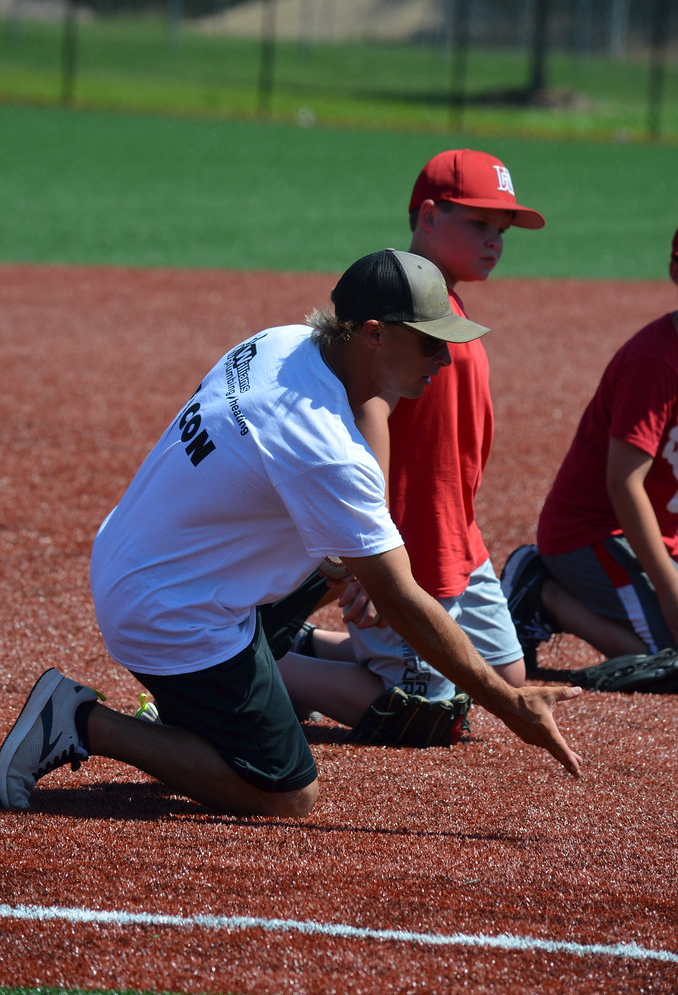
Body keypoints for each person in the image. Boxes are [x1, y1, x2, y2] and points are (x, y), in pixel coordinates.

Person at [0, 249, 583, 817]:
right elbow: (402, 600)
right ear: (374, 334)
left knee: (345, 558)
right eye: (432, 342)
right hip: (168, 612)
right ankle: (78, 720)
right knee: (287, 796)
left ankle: (204, 704)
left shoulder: (281, 343)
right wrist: (507, 704)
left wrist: (360, 565)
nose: (445, 360)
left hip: (137, 552)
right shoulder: (324, 449)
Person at [279, 149, 545, 729]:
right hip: (409, 536)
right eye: (478, 223)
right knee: (425, 712)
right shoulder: (401, 309)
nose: (494, 240)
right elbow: (370, 418)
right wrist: (369, 559)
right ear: (428, 214)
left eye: (500, 229)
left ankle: (306, 647)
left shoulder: (447, 301)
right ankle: (246, 668)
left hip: (456, 535)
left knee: (507, 679)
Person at [501, 227, 678, 668]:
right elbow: (624, 484)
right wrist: (670, 590)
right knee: (668, 659)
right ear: (675, 271)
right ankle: (543, 593)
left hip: (659, 532)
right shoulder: (655, 361)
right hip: (593, 533)